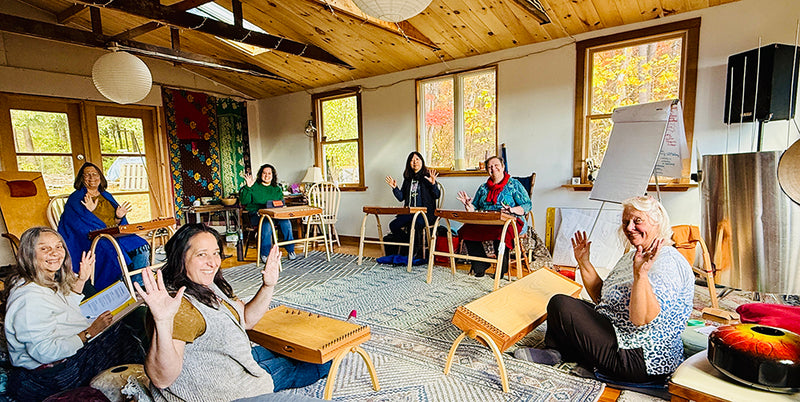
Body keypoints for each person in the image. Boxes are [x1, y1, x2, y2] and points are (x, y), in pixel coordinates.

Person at [134, 224, 330, 401]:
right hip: (224, 389)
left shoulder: (206, 284)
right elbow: (161, 379)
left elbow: (246, 319)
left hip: (225, 359)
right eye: (201, 255)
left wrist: (268, 285)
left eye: (216, 253)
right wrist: (162, 320)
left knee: (294, 348)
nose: (213, 262)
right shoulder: (182, 309)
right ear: (180, 258)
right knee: (323, 362)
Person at [514, 196, 694, 384]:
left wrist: (641, 275)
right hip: (621, 335)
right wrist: (584, 262)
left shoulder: (667, 262)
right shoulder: (634, 255)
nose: (630, 228)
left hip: (639, 359)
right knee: (566, 305)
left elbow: (642, 319)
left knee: (562, 305)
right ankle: (557, 353)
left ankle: (565, 353)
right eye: (626, 222)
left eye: (637, 221)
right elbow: (603, 298)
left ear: (657, 222)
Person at [3, 227, 144, 401]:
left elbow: (64, 306)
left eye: (58, 246)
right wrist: (89, 333)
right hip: (51, 374)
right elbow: (43, 352)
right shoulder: (28, 298)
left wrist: (83, 279)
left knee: (123, 323)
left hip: (60, 352)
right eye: (44, 248)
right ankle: (138, 386)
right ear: (29, 254)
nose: (54, 253)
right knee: (119, 336)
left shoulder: (44, 279)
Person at [58, 162, 150, 292]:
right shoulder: (76, 198)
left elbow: (115, 224)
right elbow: (77, 225)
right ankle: (118, 286)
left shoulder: (106, 195)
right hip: (90, 239)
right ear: (81, 178)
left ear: (100, 177)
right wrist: (90, 212)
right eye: (87, 175)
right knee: (110, 250)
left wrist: (118, 217)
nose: (92, 178)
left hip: (113, 234)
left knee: (142, 246)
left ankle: (137, 285)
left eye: (95, 174)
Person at [455, 156, 531, 277]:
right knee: (466, 230)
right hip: (488, 221)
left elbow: (527, 204)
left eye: (496, 165)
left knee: (502, 232)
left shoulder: (513, 185)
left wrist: (512, 209)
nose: (493, 168)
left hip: (510, 220)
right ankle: (480, 265)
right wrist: (468, 205)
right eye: (490, 167)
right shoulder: (483, 188)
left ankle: (502, 267)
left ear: (503, 167)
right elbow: (474, 208)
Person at [383, 152, 441, 257]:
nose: (415, 162)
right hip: (409, 213)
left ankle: (417, 253)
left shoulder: (428, 177)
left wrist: (433, 184)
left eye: (417, 159)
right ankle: (407, 246)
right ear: (409, 163)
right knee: (393, 225)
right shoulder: (408, 180)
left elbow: (437, 195)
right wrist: (394, 188)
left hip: (425, 215)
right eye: (412, 160)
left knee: (416, 224)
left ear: (422, 161)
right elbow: (401, 198)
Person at [241, 164, 296, 263]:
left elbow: (281, 204)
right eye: (264, 173)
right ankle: (265, 254)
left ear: (273, 175)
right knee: (266, 223)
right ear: (260, 174)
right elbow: (244, 201)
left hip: (274, 214)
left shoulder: (276, 188)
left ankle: (291, 251)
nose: (267, 175)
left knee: (286, 222)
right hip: (257, 215)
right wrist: (248, 187)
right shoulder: (253, 186)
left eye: (269, 173)